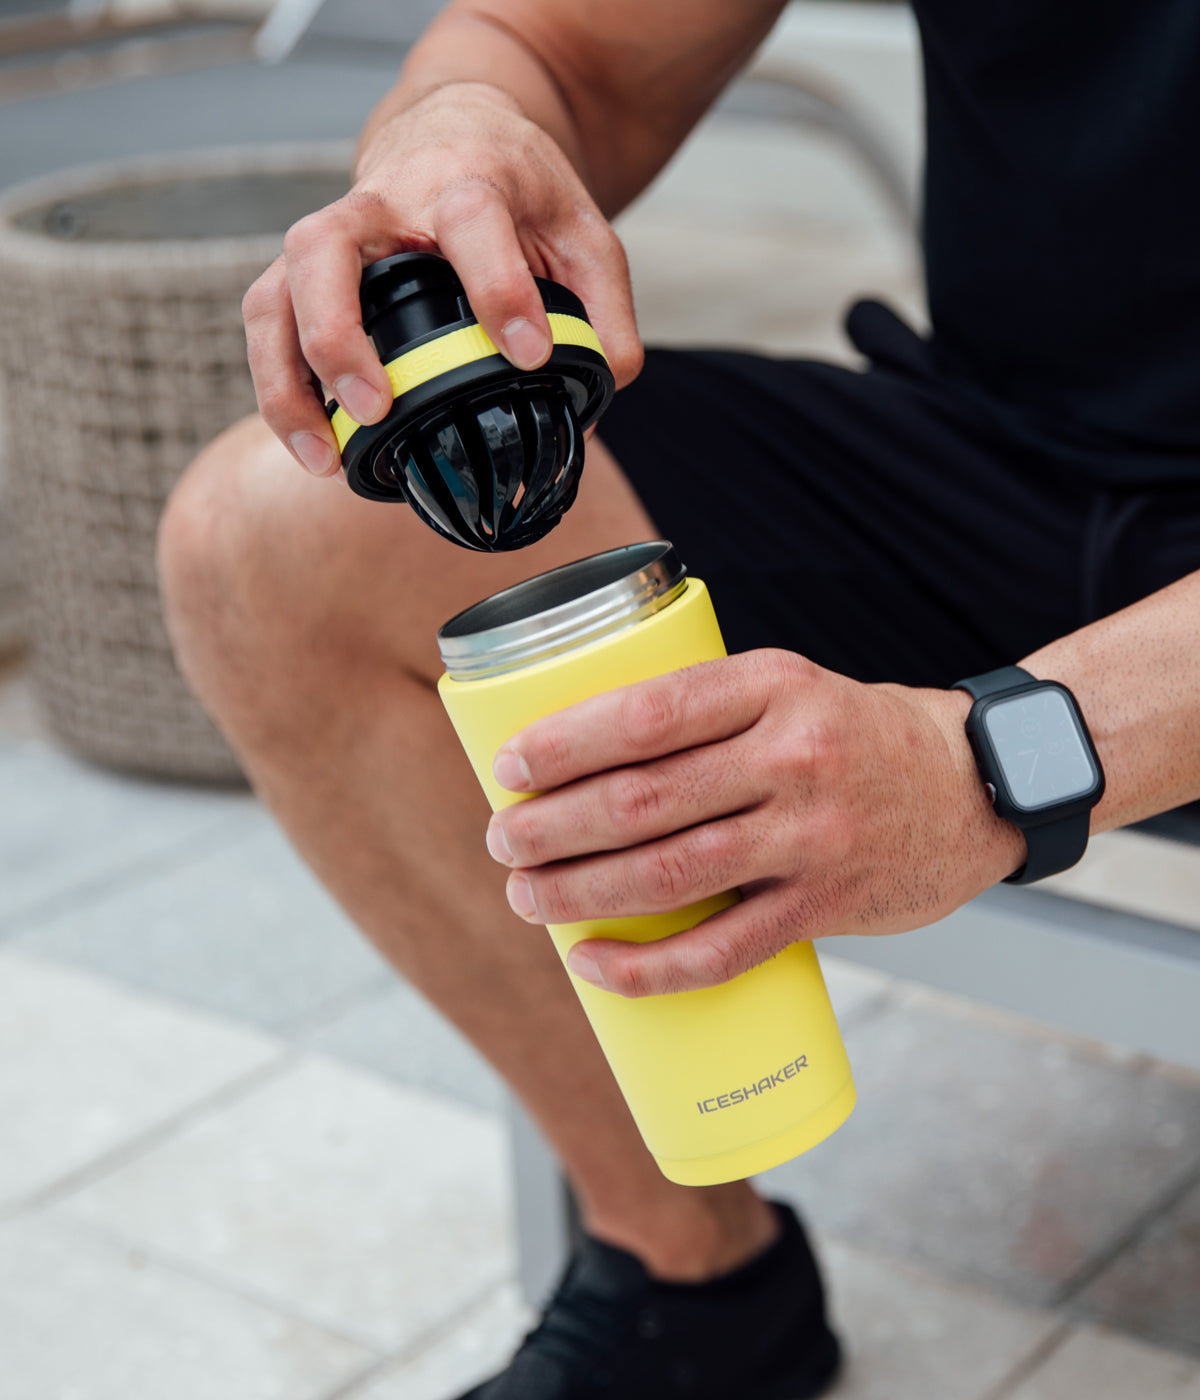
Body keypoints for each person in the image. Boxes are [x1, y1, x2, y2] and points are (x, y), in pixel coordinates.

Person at [156, 1, 1200, 1395]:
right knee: (268, 541)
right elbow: (563, 46)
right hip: (1015, 462)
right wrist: (459, 125)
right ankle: (694, 1277)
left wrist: (995, 764)